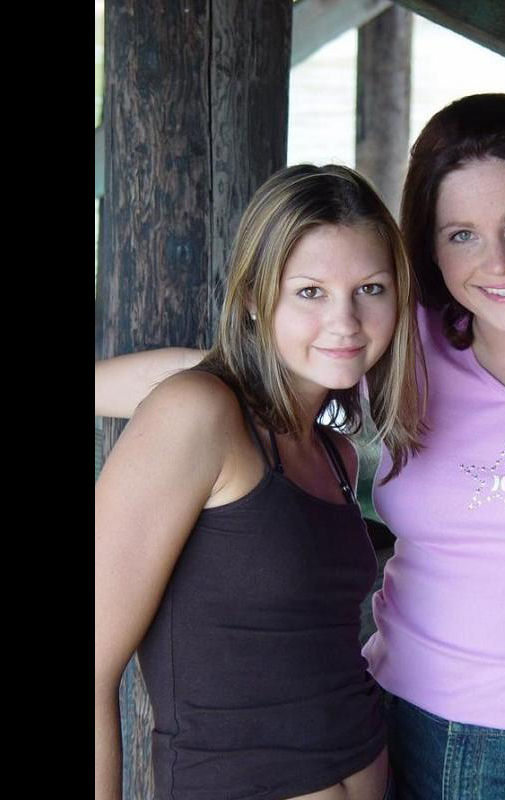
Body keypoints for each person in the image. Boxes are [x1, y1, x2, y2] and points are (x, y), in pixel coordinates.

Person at [96, 94, 505, 800]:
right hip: (392, 727)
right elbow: (231, 372)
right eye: (461, 234)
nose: (498, 262)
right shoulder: (407, 336)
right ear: (431, 248)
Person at [95, 164, 423, 800]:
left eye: (370, 288)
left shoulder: (335, 454)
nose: (346, 320)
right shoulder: (197, 414)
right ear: (252, 296)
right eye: (310, 292)